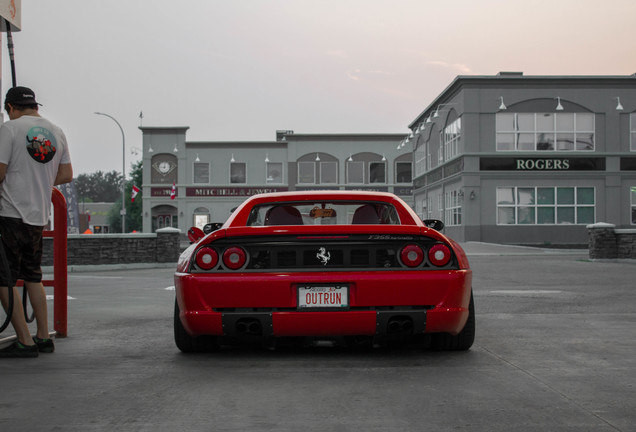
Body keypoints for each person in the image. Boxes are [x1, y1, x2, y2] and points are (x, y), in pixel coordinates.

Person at [0, 86, 73, 358]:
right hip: (38, 216)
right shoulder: (56, 131)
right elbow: (66, 174)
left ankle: (24, 341)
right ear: (36, 107)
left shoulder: (9, 129)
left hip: (10, 213)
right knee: (32, 275)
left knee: (4, 280)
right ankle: (43, 337)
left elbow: (0, 171)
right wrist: (38, 181)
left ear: (10, 108)